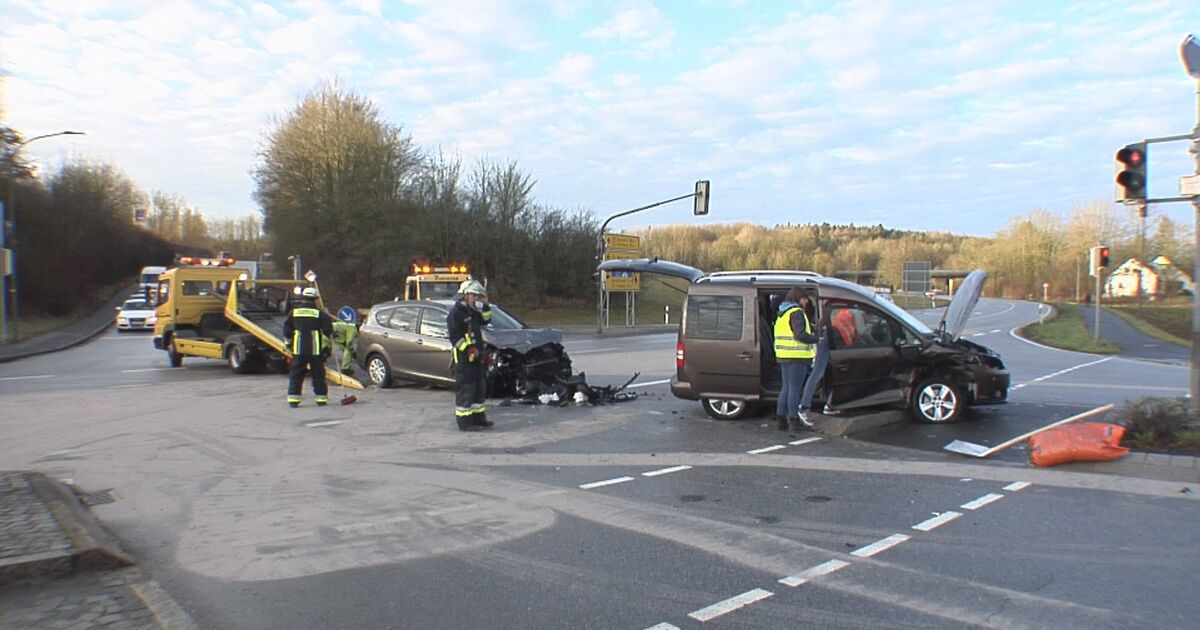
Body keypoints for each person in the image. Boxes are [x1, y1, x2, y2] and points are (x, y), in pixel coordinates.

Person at [447, 279, 493, 431]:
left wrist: (486, 304)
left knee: (479, 389)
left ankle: (479, 419)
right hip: (464, 360)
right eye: (474, 296)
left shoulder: (472, 311)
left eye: (477, 296)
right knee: (466, 391)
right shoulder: (456, 313)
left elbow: (486, 320)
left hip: (476, 358)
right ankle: (465, 423)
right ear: (465, 295)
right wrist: (469, 349)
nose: (476, 299)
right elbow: (455, 338)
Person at [774, 288, 818, 431]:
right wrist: (816, 338)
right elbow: (800, 335)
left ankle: (781, 420)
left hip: (783, 355)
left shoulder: (782, 313)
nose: (806, 302)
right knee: (795, 389)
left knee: (785, 388)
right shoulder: (796, 312)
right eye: (805, 299)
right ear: (799, 298)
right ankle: (794, 420)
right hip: (797, 356)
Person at [283, 287, 334, 408]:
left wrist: (288, 344)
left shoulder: (293, 313)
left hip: (299, 350)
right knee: (318, 375)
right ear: (315, 300)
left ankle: (293, 399)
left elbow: (287, 331)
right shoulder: (320, 314)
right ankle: (321, 399)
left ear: (303, 299)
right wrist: (327, 348)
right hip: (315, 350)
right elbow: (328, 331)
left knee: (296, 374)